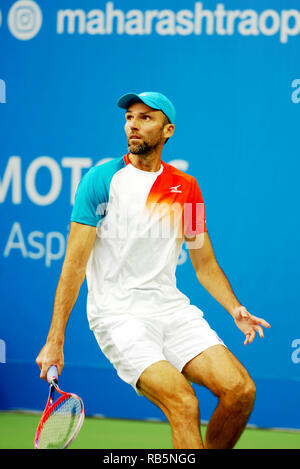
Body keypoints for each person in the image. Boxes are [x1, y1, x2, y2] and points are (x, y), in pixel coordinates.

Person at [36, 91, 270, 449]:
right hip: (119, 316)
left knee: (240, 391)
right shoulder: (100, 181)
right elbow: (74, 264)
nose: (134, 124)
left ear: (168, 130)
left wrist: (234, 309)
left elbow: (204, 263)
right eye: (130, 117)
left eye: (146, 118)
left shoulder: (187, 188)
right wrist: (55, 339)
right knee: (183, 401)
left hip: (171, 310)